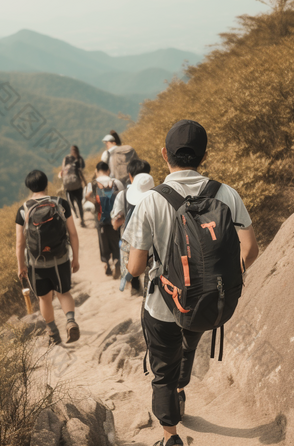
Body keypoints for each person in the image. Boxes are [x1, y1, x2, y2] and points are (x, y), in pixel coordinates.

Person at [124, 120, 259, 446]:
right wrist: (224, 275)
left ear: (163, 154)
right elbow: (251, 248)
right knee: (189, 343)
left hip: (162, 305)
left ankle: (171, 435)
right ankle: (182, 388)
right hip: (209, 298)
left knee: (162, 373)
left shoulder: (151, 201)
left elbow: (136, 266)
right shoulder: (226, 193)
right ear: (204, 154)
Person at [15, 170, 81, 346]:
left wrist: (21, 266)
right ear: (46, 184)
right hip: (60, 258)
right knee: (63, 292)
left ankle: (53, 332)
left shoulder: (23, 210)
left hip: (36, 264)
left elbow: (20, 244)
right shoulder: (60, 203)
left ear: (29, 187)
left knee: (44, 298)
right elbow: (73, 234)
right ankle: (71, 321)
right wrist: (75, 259)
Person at [112, 158, 152, 295]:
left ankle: (135, 287)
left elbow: (115, 224)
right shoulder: (157, 194)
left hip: (132, 242)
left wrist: (118, 221)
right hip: (154, 240)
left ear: (130, 175)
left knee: (133, 267)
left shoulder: (122, 195)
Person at [85, 161, 125, 279]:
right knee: (115, 239)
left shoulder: (92, 184)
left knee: (103, 242)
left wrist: (95, 203)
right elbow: (122, 196)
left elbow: (87, 196)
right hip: (115, 218)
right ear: (108, 171)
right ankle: (117, 259)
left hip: (100, 219)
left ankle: (107, 264)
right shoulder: (115, 182)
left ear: (97, 171)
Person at [60, 146, 87, 227]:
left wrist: (63, 185)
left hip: (68, 186)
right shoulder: (78, 160)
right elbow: (81, 170)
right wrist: (85, 183)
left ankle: (75, 215)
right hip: (77, 186)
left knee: (71, 203)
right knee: (79, 203)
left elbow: (62, 172)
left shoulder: (66, 159)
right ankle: (82, 219)